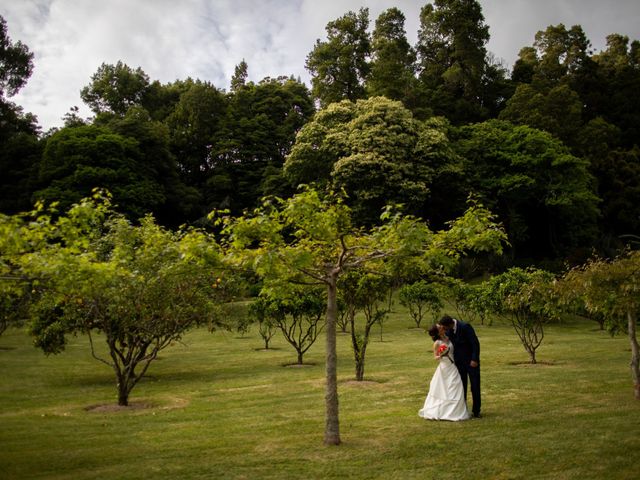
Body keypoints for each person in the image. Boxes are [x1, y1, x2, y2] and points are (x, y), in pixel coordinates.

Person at [418, 325, 470, 421]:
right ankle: (441, 411)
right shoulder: (437, 343)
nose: (442, 327)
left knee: (456, 385)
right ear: (438, 332)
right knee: (443, 388)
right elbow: (435, 357)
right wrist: (442, 354)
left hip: (453, 366)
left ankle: (456, 411)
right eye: (440, 327)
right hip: (444, 366)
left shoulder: (448, 337)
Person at [438, 314, 481, 418]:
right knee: (461, 387)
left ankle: (476, 411)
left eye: (445, 327)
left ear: (450, 324)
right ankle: (462, 410)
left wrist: (474, 359)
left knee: (475, 386)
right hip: (458, 363)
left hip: (471, 362)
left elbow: (475, 343)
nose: (444, 329)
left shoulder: (465, 326)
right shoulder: (448, 330)